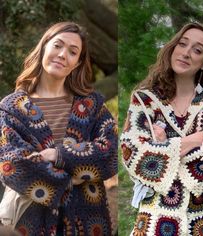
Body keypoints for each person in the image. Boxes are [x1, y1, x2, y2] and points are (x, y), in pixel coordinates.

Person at [0, 21, 117, 235]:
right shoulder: (12, 108)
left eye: (73, 52)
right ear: (44, 46)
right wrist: (72, 179)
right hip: (31, 224)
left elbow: (110, 153)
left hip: (89, 221)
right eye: (57, 45)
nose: (63, 55)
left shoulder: (92, 105)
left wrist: (58, 155)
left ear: (77, 62)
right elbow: (11, 164)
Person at [120, 22, 203, 235]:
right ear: (172, 48)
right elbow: (133, 154)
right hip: (156, 219)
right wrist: (196, 140)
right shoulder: (145, 100)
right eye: (182, 44)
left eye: (197, 50)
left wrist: (161, 150)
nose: (186, 53)